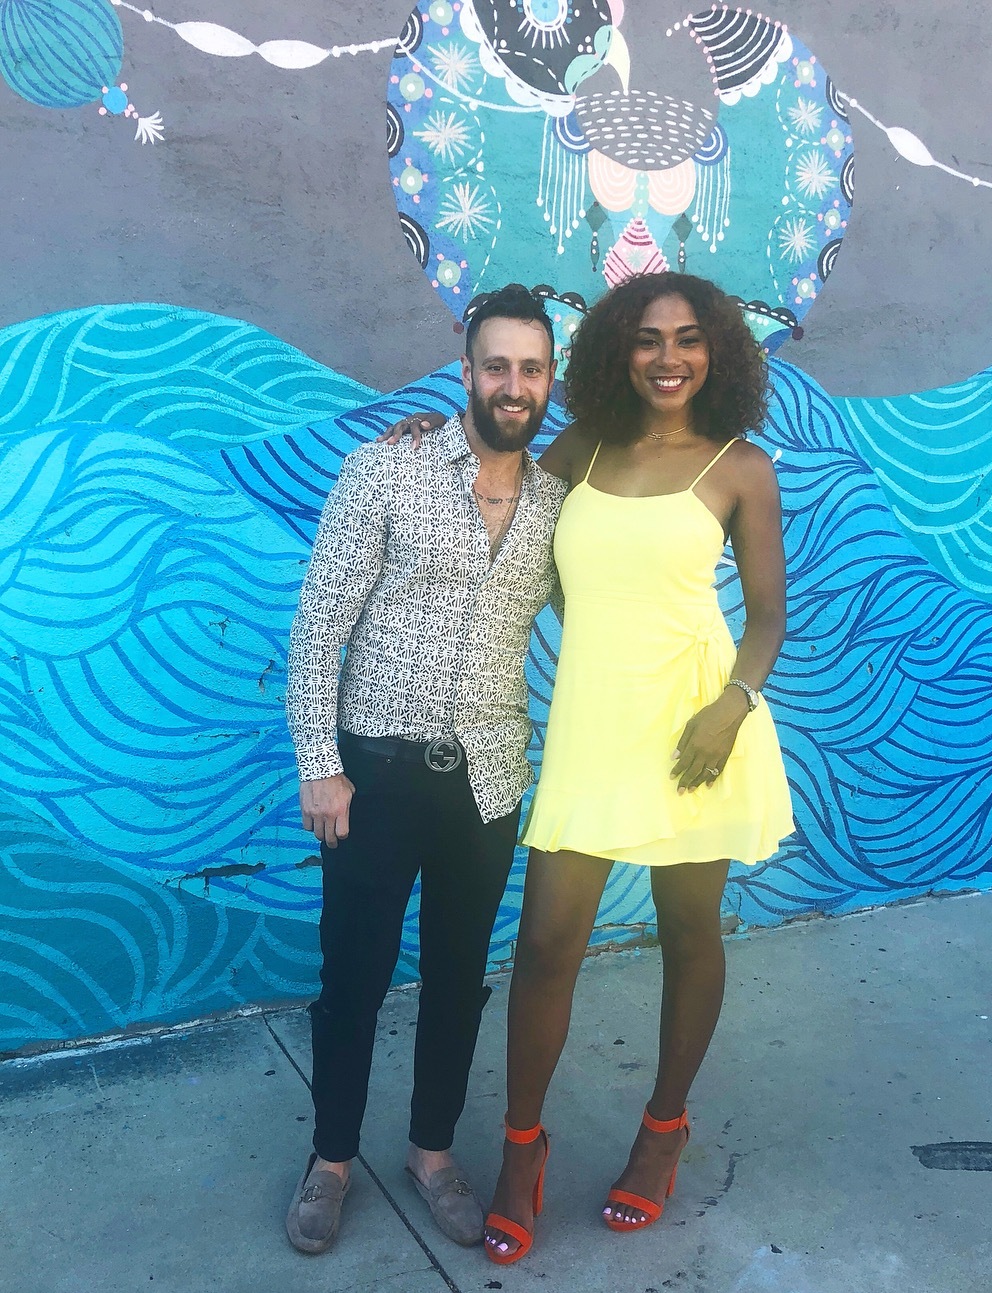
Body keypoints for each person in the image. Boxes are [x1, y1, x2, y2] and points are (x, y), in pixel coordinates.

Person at [387, 271, 793, 1265]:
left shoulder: (742, 468)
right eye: (648, 339)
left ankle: (663, 1131)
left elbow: (767, 621)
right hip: (592, 722)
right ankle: (522, 1149)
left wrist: (731, 707)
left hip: (697, 727)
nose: (668, 357)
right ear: (619, 350)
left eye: (688, 339)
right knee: (545, 945)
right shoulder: (582, 449)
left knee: (688, 931)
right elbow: (498, 470)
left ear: (717, 353)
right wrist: (434, 441)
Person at [283, 284, 565, 1254]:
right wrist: (320, 765)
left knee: (458, 978)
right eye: (498, 365)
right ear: (468, 371)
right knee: (352, 978)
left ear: (550, 379)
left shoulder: (558, 506)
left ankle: (432, 1152)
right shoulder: (385, 470)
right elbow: (318, 628)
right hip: (375, 775)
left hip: (486, 782)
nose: (514, 384)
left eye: (532, 368)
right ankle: (331, 1159)